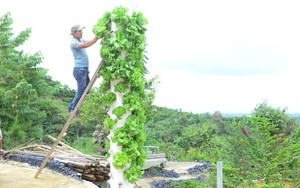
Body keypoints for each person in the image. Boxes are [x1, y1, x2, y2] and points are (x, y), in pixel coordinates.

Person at [68, 25, 99, 117]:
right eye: (80, 31)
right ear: (74, 33)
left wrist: (99, 36)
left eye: (82, 31)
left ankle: (71, 107)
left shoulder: (80, 40)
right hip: (79, 70)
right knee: (81, 90)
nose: (82, 32)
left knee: (87, 90)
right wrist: (97, 37)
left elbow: (90, 41)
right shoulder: (73, 43)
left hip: (84, 70)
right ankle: (73, 109)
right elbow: (86, 45)